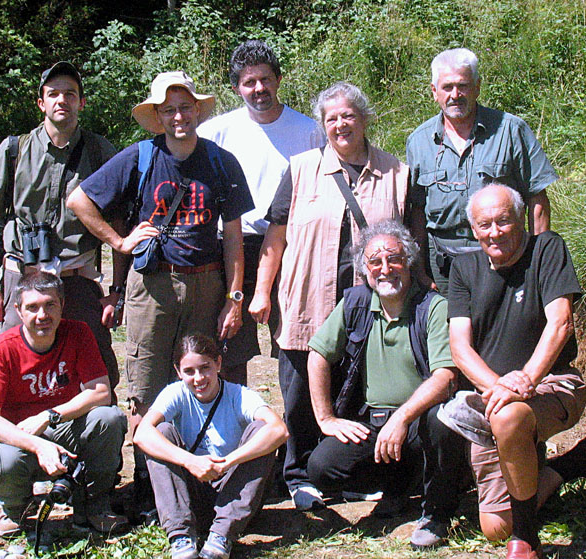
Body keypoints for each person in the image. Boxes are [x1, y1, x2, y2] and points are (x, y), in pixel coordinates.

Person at [67, 71, 254, 517]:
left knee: (200, 380)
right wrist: (118, 241)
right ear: (157, 116)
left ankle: (202, 476)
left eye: (185, 107)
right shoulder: (140, 158)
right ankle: (151, 488)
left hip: (208, 282)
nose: (178, 117)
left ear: (197, 111)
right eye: (168, 110)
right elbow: (80, 200)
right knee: (147, 383)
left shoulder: (221, 161)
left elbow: (232, 235)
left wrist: (235, 296)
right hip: (151, 285)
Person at [250, 82, 409, 510]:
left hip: (368, 305)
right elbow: (275, 236)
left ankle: (347, 474)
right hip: (306, 299)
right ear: (323, 126)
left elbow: (410, 243)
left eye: (348, 116)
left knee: (356, 390)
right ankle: (299, 475)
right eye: (331, 118)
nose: (341, 124)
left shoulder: (397, 173)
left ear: (364, 119)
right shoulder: (301, 169)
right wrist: (262, 291)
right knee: (300, 389)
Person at [447, 183, 586, 559]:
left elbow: (560, 323)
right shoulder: (464, 269)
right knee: (494, 526)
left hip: (551, 383)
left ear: (522, 218)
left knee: (509, 418)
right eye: (485, 225)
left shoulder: (547, 250)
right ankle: (583, 458)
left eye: (504, 221)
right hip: (492, 395)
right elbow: (460, 348)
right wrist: (500, 388)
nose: (495, 232)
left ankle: (525, 540)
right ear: (473, 230)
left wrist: (526, 378)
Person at [305, 220, 466, 547]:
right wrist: (326, 418)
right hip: (374, 423)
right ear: (364, 269)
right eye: (375, 261)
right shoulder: (356, 303)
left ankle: (437, 512)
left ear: (409, 262)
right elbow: (317, 355)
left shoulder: (433, 307)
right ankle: (398, 488)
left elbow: (446, 377)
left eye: (394, 259)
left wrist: (402, 418)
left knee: (440, 423)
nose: (385, 268)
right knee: (321, 467)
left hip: (421, 423)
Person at [0, 61, 119, 390]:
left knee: (98, 369)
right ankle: (7, 435)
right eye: (53, 94)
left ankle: (99, 433)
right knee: (11, 363)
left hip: (76, 278)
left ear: (81, 102)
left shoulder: (101, 152)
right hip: (22, 274)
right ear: (41, 103)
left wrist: (115, 293)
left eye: (70, 94)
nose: (61, 100)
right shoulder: (14, 150)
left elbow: (121, 222)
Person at [197, 40, 323, 384]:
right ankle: (239, 431)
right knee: (230, 346)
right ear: (237, 87)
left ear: (278, 80)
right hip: (232, 247)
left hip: (291, 248)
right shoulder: (215, 132)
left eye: (265, 80)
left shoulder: (310, 131)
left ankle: (298, 431)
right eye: (249, 82)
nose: (259, 89)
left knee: (294, 345)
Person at [0, 271, 128, 536]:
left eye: (50, 305)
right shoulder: (2, 349)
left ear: (62, 305)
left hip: (63, 426)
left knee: (109, 419)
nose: (42, 316)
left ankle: (93, 505)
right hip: (21, 436)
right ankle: (17, 510)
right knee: (3, 458)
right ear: (18, 310)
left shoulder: (78, 333)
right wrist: (38, 445)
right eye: (32, 308)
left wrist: (49, 415)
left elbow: (101, 391)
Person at [406, 48, 558, 296]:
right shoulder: (418, 142)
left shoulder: (511, 130)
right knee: (452, 332)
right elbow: (418, 212)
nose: (455, 95)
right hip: (443, 267)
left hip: (505, 257)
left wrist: (539, 261)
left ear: (477, 87)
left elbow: (537, 199)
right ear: (434, 92)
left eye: (463, 86)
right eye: (447, 87)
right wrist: (421, 270)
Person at [135, 333, 288, 559]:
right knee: (160, 432)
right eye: (189, 371)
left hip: (233, 491)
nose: (198, 379)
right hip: (193, 492)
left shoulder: (239, 395)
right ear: (178, 371)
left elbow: (279, 430)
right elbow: (141, 434)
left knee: (262, 431)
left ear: (218, 363)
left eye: (205, 368)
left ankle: (222, 534)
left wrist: (228, 462)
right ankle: (180, 535)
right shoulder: (176, 393)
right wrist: (190, 461)